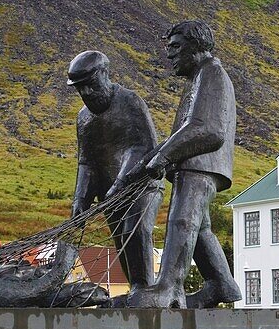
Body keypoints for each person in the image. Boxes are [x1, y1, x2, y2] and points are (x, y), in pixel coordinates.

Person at [124, 21, 243, 309]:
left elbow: (209, 128)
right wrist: (155, 158)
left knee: (182, 220)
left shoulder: (212, 74)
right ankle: (221, 284)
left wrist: (164, 156)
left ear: (197, 45)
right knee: (199, 228)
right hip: (194, 163)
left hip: (201, 165)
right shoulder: (200, 77)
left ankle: (170, 288)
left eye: (176, 47)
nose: (170, 55)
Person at [67, 50, 162, 294]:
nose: (86, 93)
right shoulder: (83, 118)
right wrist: (81, 199)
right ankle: (136, 290)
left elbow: (143, 147)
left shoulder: (130, 101)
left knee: (135, 229)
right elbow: (86, 162)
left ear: (104, 74)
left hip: (141, 186)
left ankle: (143, 287)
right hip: (110, 195)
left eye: (90, 85)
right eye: (80, 89)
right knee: (121, 240)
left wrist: (120, 183)